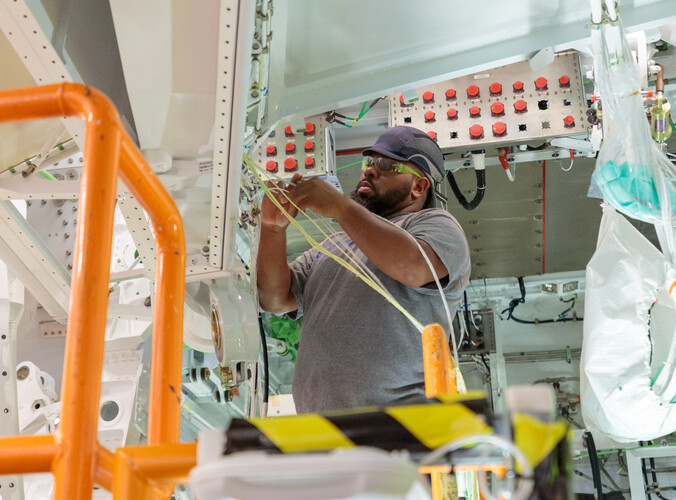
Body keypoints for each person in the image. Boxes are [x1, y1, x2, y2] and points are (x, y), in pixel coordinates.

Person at [257, 125, 471, 413]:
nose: (370, 170)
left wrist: (340, 207)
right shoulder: (331, 246)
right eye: (369, 162)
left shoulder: (437, 225)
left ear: (419, 187)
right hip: (321, 426)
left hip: (401, 424)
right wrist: (272, 229)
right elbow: (273, 299)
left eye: (387, 166)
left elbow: (411, 268)